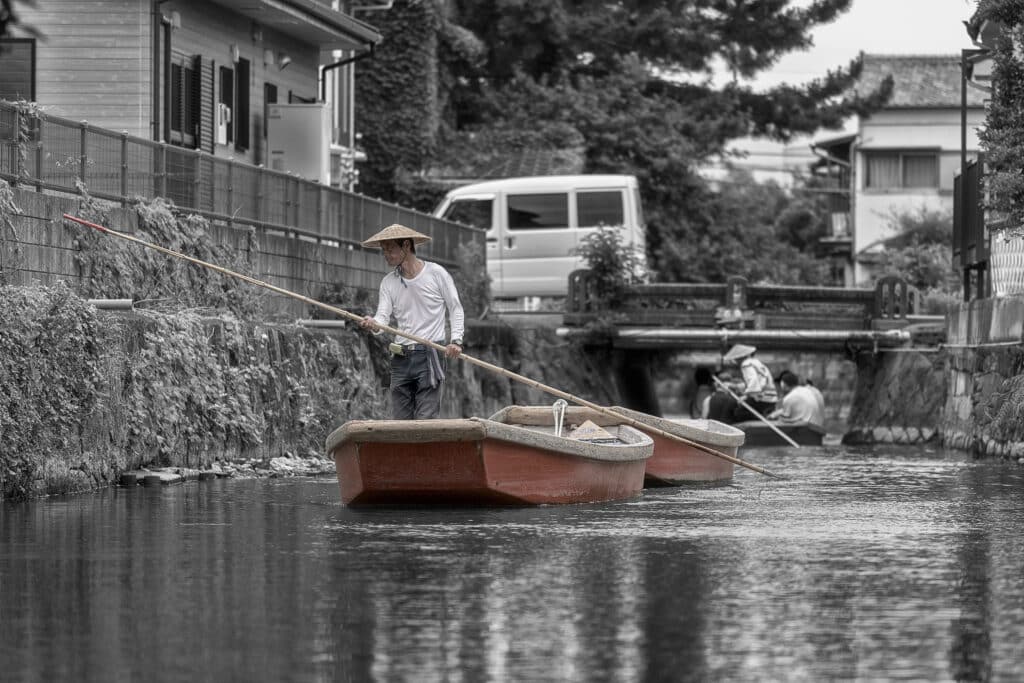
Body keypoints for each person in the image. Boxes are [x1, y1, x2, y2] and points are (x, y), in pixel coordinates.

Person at [358, 223, 465, 420]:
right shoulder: (388, 282)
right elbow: (382, 318)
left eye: (390, 249)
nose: (386, 255)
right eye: (383, 251)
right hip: (401, 357)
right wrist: (374, 323)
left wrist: (456, 340)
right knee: (401, 422)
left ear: (406, 246)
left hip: (430, 353)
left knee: (425, 420)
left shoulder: (436, 274)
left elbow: (455, 308)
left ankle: (425, 451)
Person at [722, 343, 778, 421]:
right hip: (771, 399)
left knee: (738, 413)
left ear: (741, 357)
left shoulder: (746, 364)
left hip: (762, 399)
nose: (735, 361)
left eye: (736, 358)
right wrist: (735, 386)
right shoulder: (757, 363)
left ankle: (762, 419)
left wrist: (745, 396)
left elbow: (754, 383)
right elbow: (755, 383)